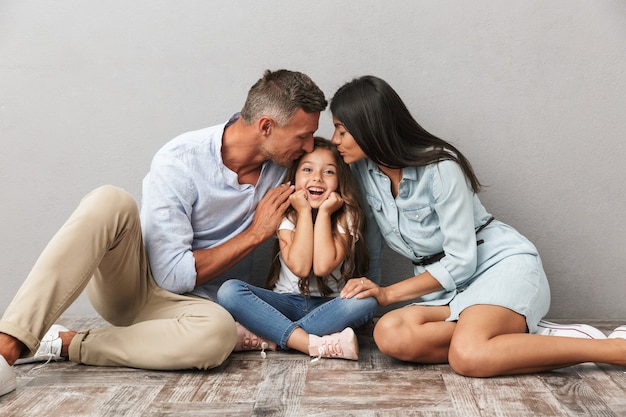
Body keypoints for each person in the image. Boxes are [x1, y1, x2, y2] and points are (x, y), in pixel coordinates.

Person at [0, 69, 327, 397]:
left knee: (217, 334)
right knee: (109, 200)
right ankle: (7, 346)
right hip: (137, 286)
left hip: (197, 310)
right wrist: (256, 234)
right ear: (266, 126)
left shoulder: (290, 165)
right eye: (302, 136)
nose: (309, 145)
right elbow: (171, 276)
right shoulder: (180, 161)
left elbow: (337, 166)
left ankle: (68, 344)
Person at [330, 75, 626, 377]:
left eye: (341, 130)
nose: (335, 140)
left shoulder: (441, 168)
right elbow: (374, 246)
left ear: (370, 127)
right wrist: (369, 293)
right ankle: (522, 340)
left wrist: (389, 294)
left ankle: (613, 349)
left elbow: (462, 259)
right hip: (445, 293)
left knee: (467, 357)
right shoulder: (364, 172)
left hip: (497, 268)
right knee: (390, 334)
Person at [217, 137, 378, 361]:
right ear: (294, 176)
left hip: (330, 307)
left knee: (368, 301)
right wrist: (303, 212)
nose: (317, 178)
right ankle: (313, 343)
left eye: (329, 172)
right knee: (228, 291)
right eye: (308, 169)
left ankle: (271, 334)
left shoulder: (346, 215)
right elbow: (301, 267)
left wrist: (324, 214)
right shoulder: (288, 214)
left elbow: (322, 267)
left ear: (341, 180)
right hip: (285, 303)